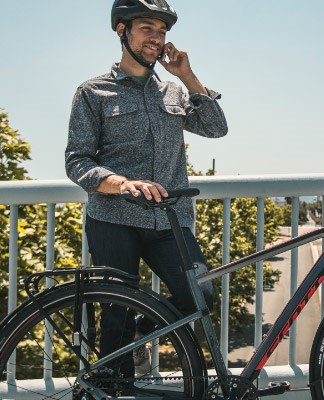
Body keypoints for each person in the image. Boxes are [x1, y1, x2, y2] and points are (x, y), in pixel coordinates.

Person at [65, 0, 227, 379]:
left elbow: (216, 128)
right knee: (115, 311)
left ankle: (141, 335)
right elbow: (77, 160)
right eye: (147, 29)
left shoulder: (173, 91)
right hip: (112, 219)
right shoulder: (93, 92)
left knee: (199, 297)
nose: (157, 38)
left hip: (169, 220)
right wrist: (122, 183)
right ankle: (113, 385)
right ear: (122, 31)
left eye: (162, 31)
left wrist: (188, 77)